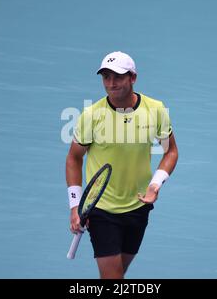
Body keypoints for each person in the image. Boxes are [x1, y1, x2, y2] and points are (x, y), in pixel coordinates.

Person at [65, 51, 178, 279]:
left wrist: (155, 185)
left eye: (118, 77)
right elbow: (73, 159)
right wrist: (75, 206)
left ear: (133, 78)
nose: (111, 83)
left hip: (138, 206)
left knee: (118, 273)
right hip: (102, 210)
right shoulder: (92, 115)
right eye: (106, 77)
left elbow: (171, 151)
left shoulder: (155, 110)